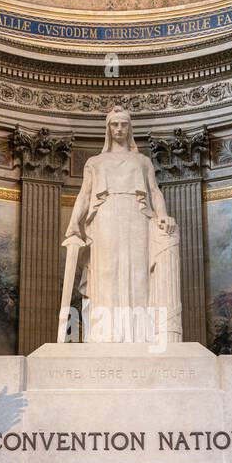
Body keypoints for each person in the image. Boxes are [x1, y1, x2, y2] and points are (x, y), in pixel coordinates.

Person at [63, 107, 182, 344]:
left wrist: (163, 216)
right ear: (108, 129)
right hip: (105, 216)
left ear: (130, 128)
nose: (119, 129)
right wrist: (73, 223)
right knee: (106, 271)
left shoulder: (142, 161)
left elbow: (154, 191)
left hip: (137, 215)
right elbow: (85, 195)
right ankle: (104, 334)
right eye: (114, 124)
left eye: (123, 124)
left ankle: (140, 334)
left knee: (138, 272)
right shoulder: (95, 162)